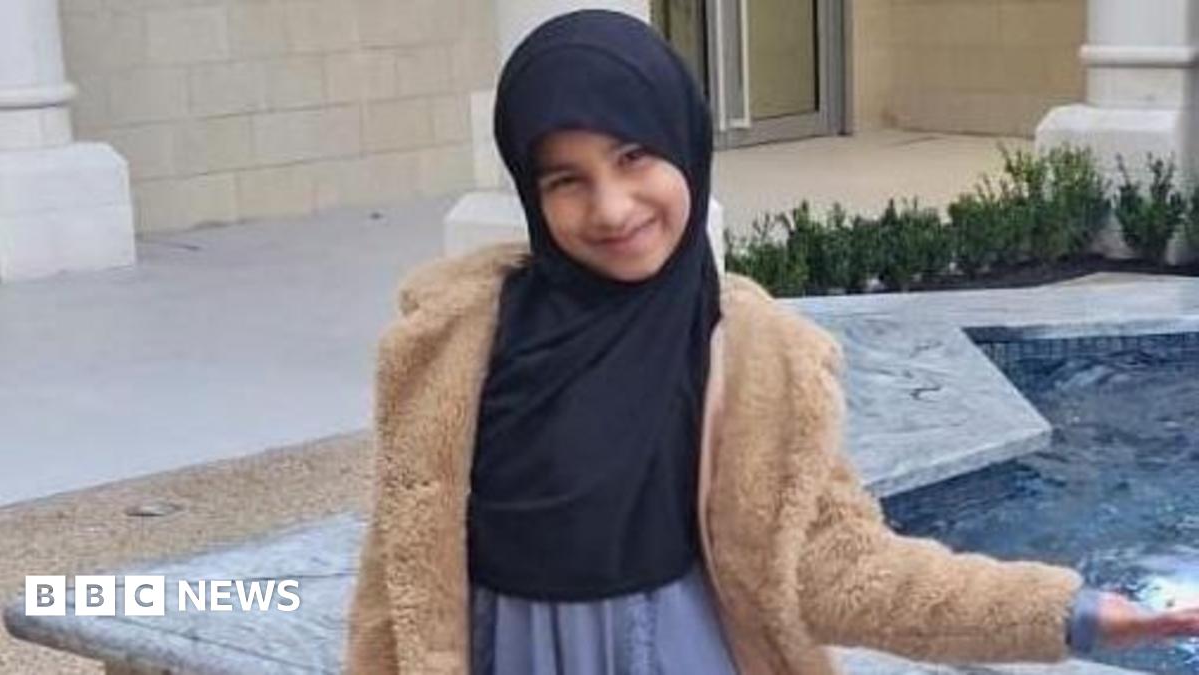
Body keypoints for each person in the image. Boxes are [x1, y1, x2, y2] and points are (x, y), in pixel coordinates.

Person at [346, 9, 1199, 674]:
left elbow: (836, 565)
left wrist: (1066, 611)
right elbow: (396, 582)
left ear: (684, 141)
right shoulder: (456, 344)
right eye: (566, 180)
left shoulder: (753, 358)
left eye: (634, 156)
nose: (609, 208)